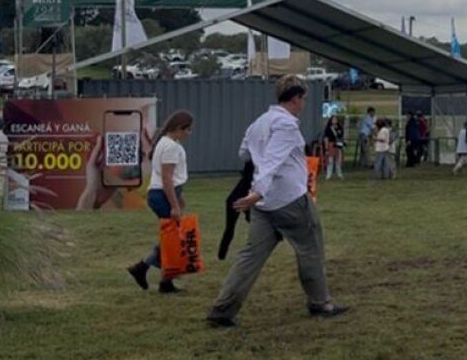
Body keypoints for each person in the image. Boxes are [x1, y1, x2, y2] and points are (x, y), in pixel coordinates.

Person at [207, 82, 348, 327]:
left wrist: (258, 191)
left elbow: (244, 153)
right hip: (289, 200)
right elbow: (273, 159)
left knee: (249, 257)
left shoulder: (259, 122)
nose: (303, 104)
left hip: (264, 206)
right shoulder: (286, 125)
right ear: (294, 99)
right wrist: (258, 190)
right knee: (311, 249)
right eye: (303, 99)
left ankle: (222, 310)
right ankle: (320, 303)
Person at [128, 110, 195, 294]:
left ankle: (161, 278)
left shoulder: (166, 143)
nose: (189, 134)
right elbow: (166, 178)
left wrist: (179, 199)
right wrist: (174, 205)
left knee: (171, 237)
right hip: (162, 194)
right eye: (188, 130)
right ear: (180, 128)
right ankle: (144, 269)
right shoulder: (171, 147)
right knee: (172, 239)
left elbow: (168, 178)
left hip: (161, 193)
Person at [322, 115, 346, 180]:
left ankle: (339, 174)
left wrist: (343, 143)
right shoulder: (328, 128)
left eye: (336, 119)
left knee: (338, 160)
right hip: (331, 144)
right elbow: (326, 138)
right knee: (330, 160)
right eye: (333, 119)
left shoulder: (340, 127)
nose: (335, 120)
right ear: (331, 120)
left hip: (338, 145)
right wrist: (326, 147)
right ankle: (328, 175)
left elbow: (341, 137)